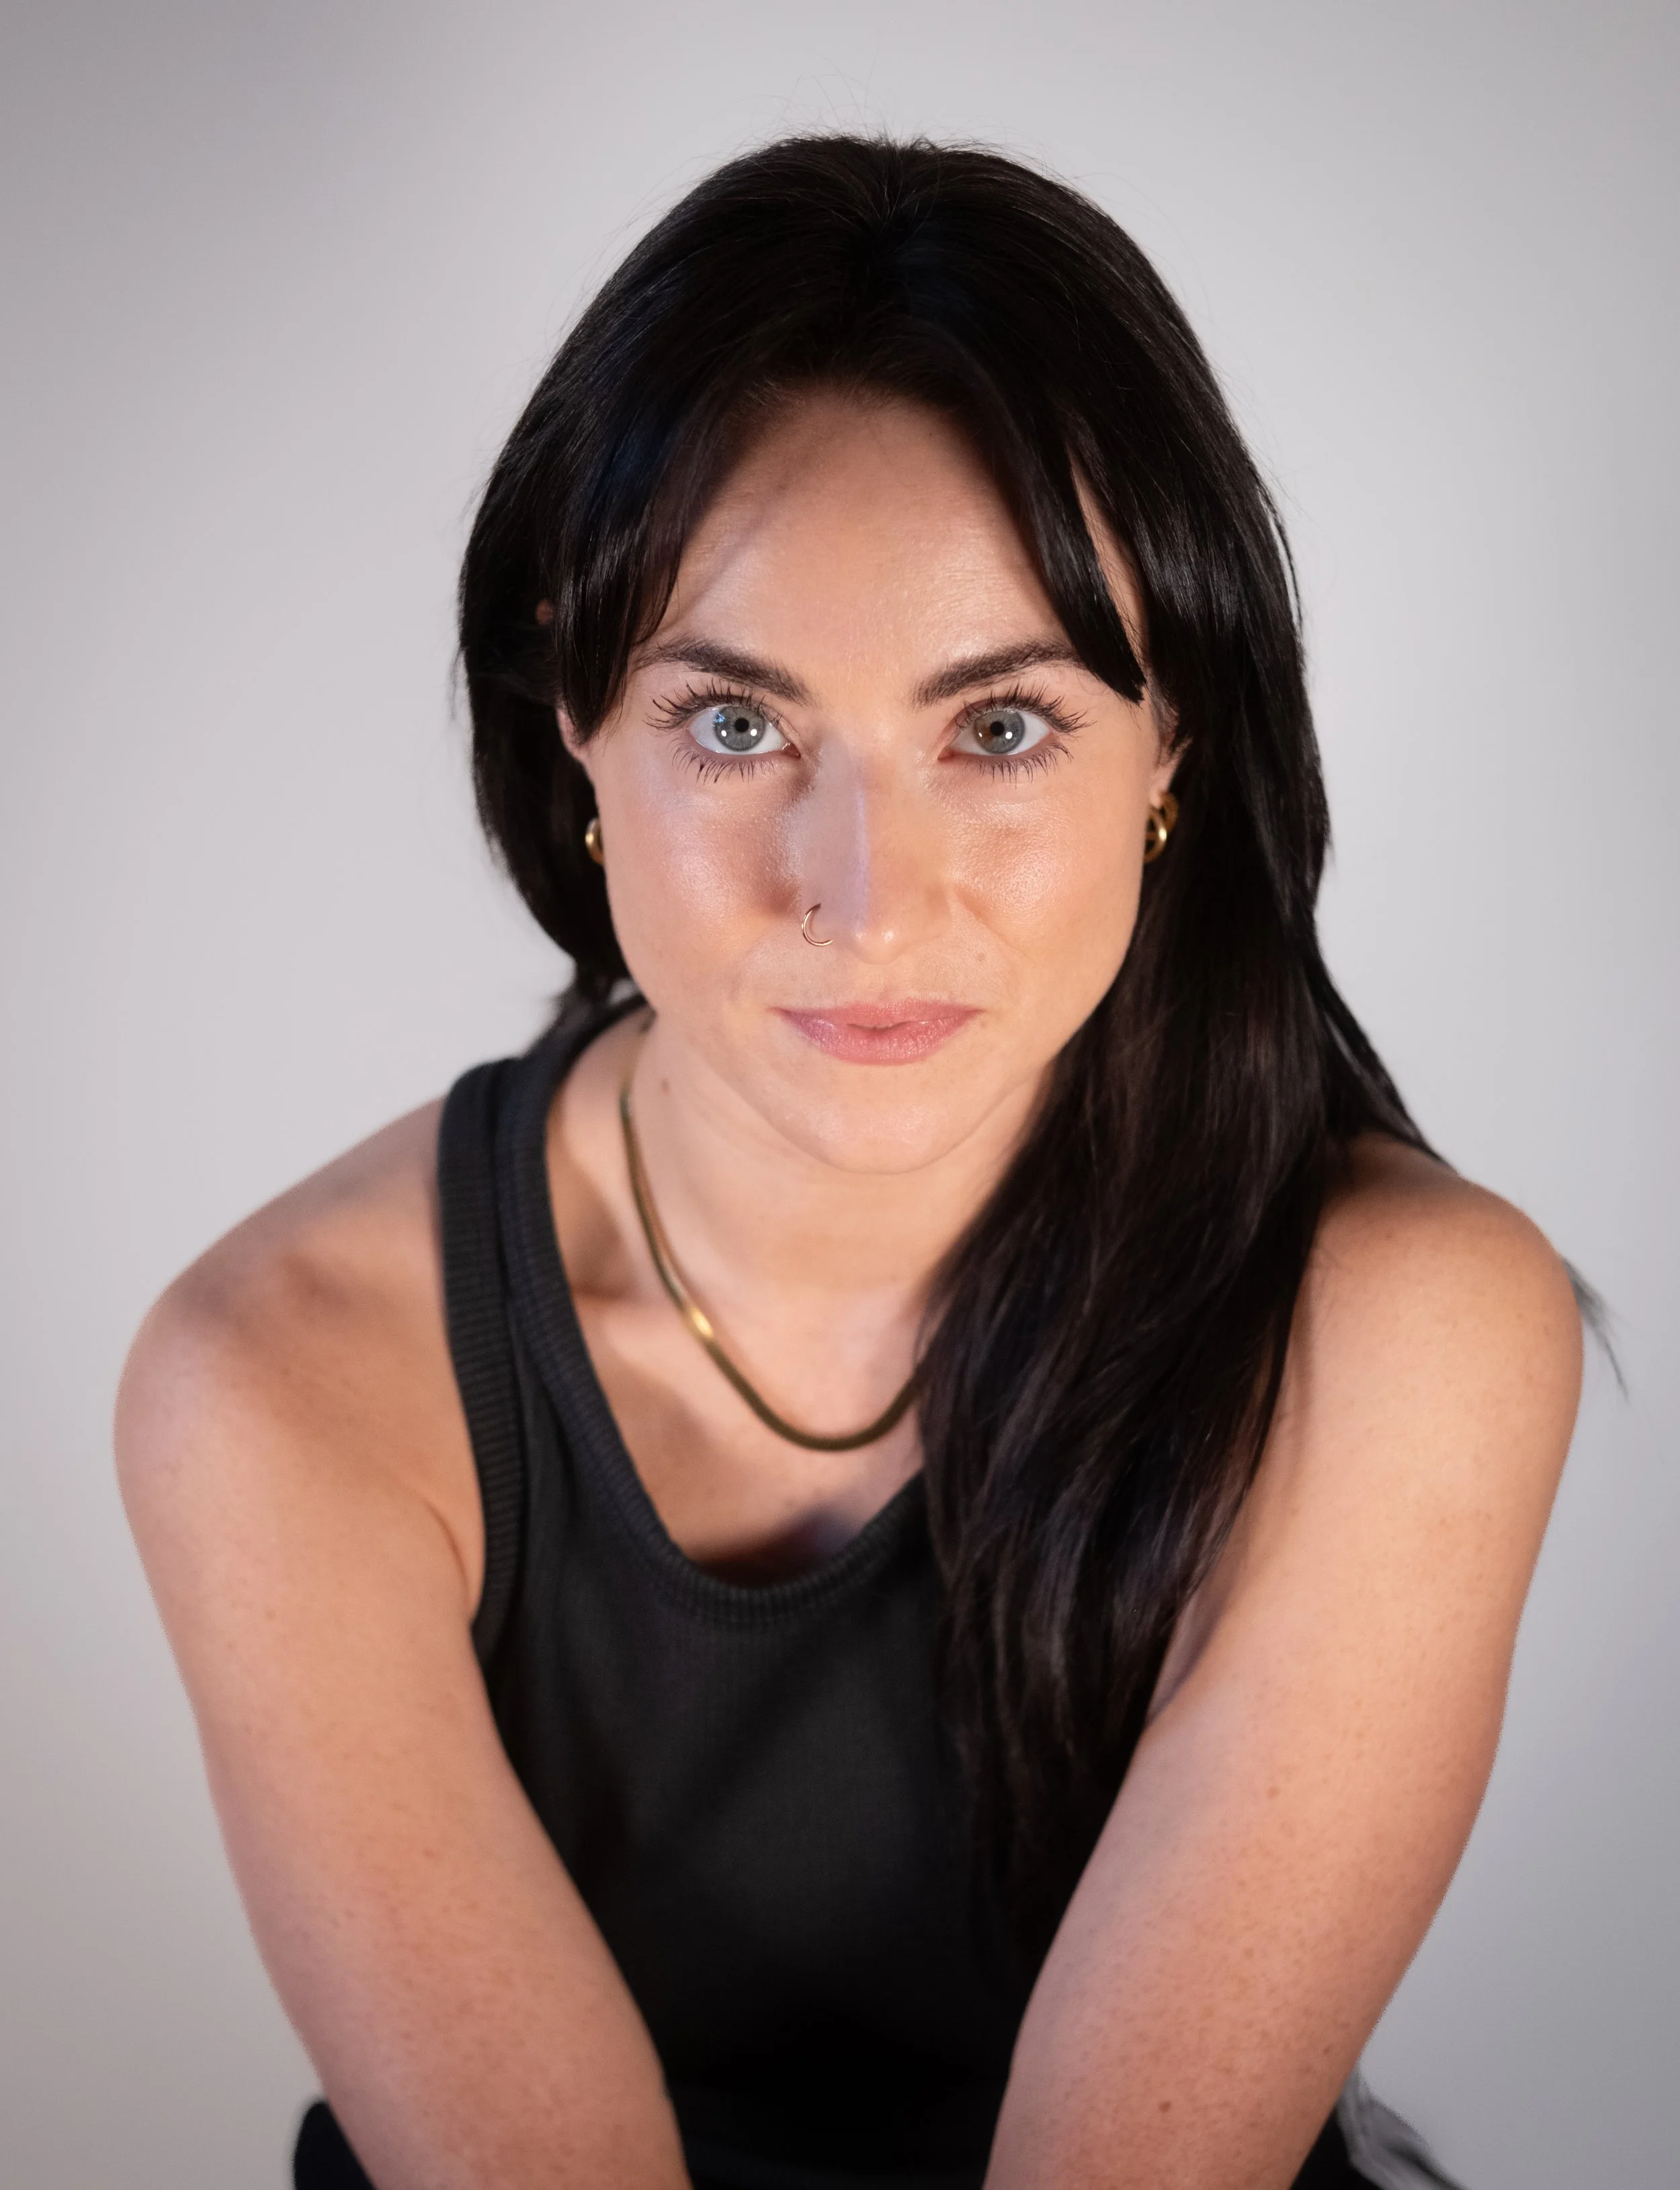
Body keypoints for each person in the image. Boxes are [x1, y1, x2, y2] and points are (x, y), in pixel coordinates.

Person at [117, 136, 1584, 2190]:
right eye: (735, 727)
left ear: (1175, 750)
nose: (863, 900)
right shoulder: (284, 1378)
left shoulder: (1399, 1325)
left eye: (998, 728)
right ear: (572, 719)